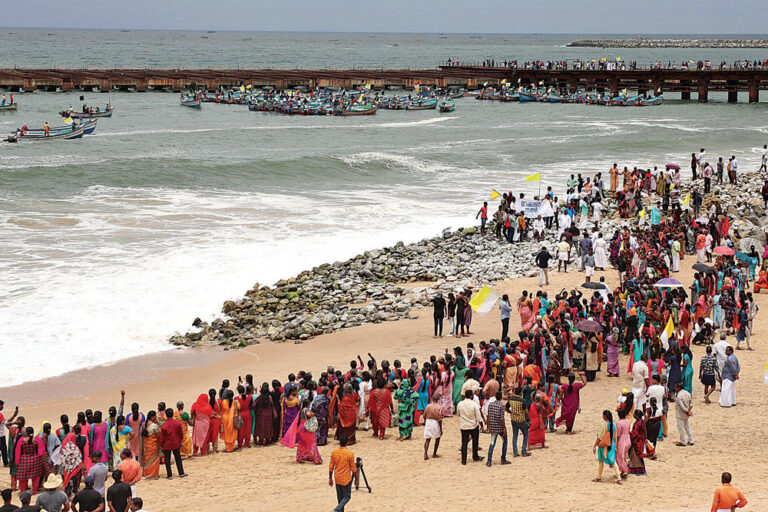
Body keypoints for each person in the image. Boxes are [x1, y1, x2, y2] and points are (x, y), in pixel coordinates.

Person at [328, 434, 358, 512]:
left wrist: (330, 478)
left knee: (340, 498)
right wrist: (356, 479)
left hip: (337, 478)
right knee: (347, 496)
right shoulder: (350, 453)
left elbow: (331, 467)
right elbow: (353, 468)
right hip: (346, 478)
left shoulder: (334, 452)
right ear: (347, 442)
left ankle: (340, 510)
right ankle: (336, 510)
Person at [593, 410, 621, 485]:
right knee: (613, 461)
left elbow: (600, 437)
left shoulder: (603, 425)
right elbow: (615, 437)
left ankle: (599, 477)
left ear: (605, 416)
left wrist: (595, 445)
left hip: (604, 445)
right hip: (611, 444)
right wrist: (615, 446)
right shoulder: (613, 425)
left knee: (601, 461)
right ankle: (618, 477)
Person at [457, 389, 484, 465]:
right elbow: (478, 418)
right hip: (473, 426)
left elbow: (458, 414)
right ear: (471, 396)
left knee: (464, 443)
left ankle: (464, 460)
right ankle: (475, 456)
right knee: (475, 442)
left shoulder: (460, 404)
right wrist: (482, 425)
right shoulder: (474, 404)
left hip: (464, 426)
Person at [158, 409, 186, 479]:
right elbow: (181, 434)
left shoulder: (164, 425)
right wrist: (180, 440)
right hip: (176, 443)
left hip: (167, 444)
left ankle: (169, 475)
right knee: (178, 458)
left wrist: (161, 445)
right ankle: (181, 473)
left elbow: (162, 437)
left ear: (166, 416)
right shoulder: (177, 423)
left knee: (167, 459)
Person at [485, 391, 509, 466]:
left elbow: (488, 417)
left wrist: (488, 427)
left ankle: (489, 460)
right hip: (499, 427)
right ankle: (503, 459)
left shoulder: (491, 405)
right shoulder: (501, 405)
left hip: (493, 426)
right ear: (501, 397)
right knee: (505, 441)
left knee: (492, 443)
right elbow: (502, 419)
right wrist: (504, 428)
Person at [673, 382, 694, 447]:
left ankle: (683, 441)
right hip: (686, 414)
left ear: (678, 388)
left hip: (680, 414)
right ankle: (691, 440)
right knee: (687, 427)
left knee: (681, 428)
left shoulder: (679, 396)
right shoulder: (688, 393)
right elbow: (691, 403)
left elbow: (682, 407)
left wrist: (687, 411)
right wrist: (689, 411)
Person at [423, 394, 442, 460]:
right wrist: (441, 429)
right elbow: (440, 419)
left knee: (427, 439)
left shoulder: (428, 406)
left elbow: (424, 415)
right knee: (437, 438)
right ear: (438, 400)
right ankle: (434, 453)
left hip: (428, 422)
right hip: (435, 422)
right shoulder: (439, 407)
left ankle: (425, 453)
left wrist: (425, 422)